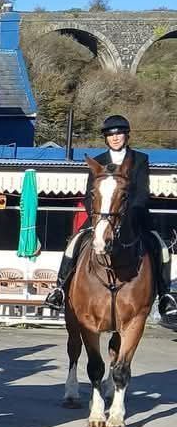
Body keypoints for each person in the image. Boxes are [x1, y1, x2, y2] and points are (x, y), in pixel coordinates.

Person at [45, 115, 177, 322]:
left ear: (126, 136)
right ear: (106, 138)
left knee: (161, 247)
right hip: (101, 218)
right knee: (74, 243)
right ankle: (60, 289)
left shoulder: (140, 159)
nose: (115, 138)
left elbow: (143, 192)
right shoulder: (98, 161)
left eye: (119, 134)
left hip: (133, 217)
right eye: (110, 135)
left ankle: (165, 295)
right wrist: (98, 217)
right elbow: (90, 196)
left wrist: (129, 215)